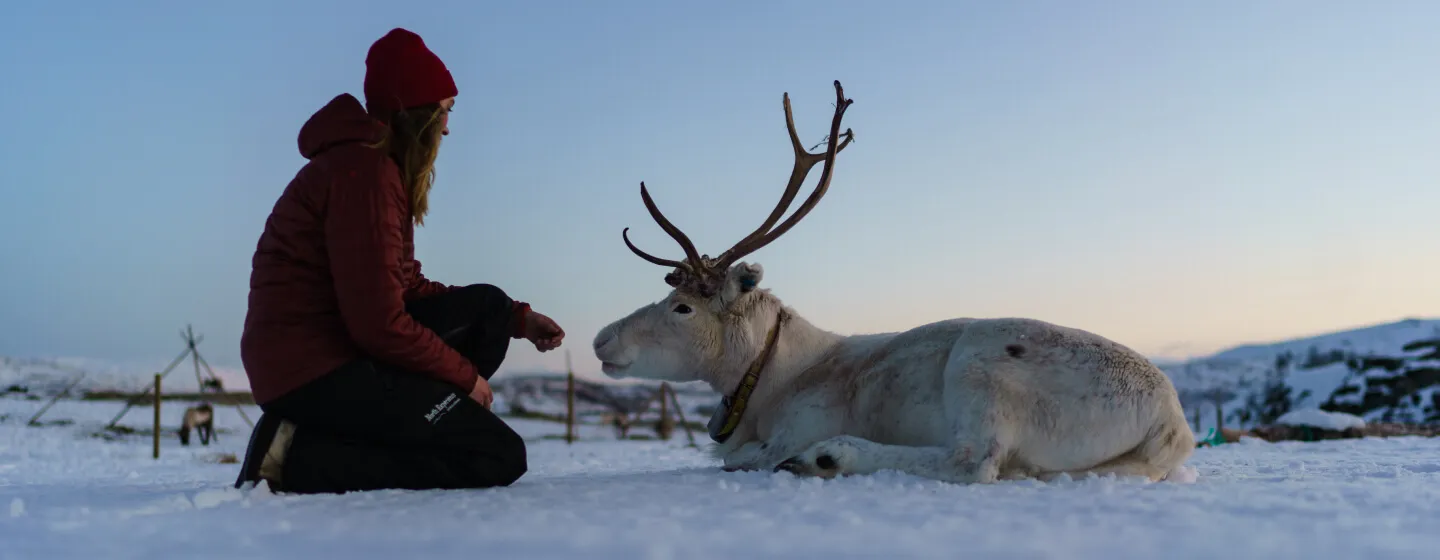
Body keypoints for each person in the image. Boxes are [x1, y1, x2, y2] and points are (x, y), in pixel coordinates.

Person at [233, 27, 565, 494]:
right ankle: (294, 455)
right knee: (496, 455)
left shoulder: (374, 168)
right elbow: (378, 322)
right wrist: (463, 377)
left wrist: (517, 318)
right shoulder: (364, 175)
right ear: (419, 115)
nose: (449, 127)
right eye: (445, 111)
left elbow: (404, 287)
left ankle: (385, 427)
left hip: (335, 352)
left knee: (489, 308)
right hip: (311, 369)